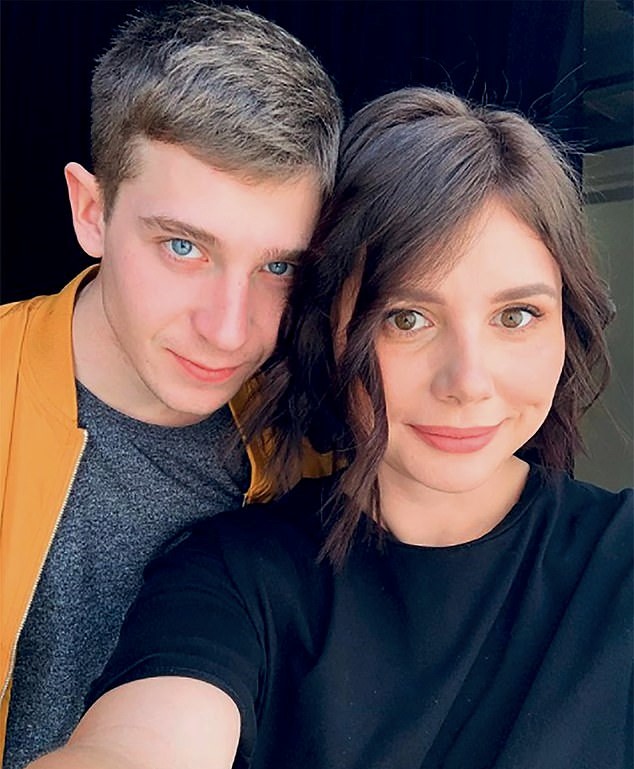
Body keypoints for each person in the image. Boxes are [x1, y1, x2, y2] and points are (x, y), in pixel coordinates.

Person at [29, 87, 632, 769]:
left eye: (516, 316)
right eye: (407, 318)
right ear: (330, 332)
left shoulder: (619, 560)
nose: (468, 381)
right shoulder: (236, 575)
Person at [0, 3, 341, 765]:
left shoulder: (313, 446)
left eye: (277, 266)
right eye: (184, 246)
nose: (229, 329)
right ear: (91, 211)